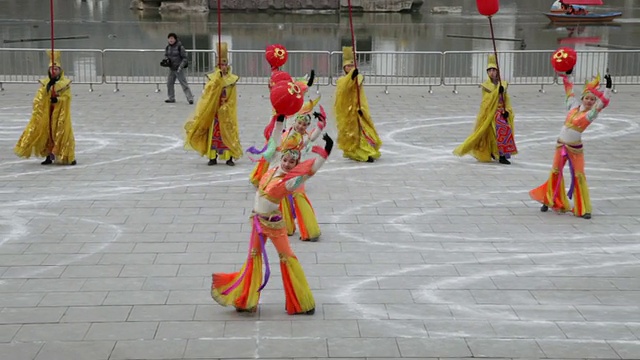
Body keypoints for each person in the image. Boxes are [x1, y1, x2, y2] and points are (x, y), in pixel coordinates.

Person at [211, 114, 334, 315]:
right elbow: (275, 139)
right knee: (253, 257)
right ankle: (245, 299)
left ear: (294, 167)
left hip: (275, 226)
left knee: (287, 257)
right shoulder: (274, 165)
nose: (286, 164)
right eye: (285, 160)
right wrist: (279, 119)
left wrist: (326, 151)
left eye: (290, 163)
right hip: (257, 222)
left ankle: (302, 302)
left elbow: (311, 171)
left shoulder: (290, 182)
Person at [530, 70, 612, 220]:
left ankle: (583, 208)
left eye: (592, 99)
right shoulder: (573, 107)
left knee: (579, 175)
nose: (589, 101)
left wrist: (608, 88)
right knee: (555, 171)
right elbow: (569, 90)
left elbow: (603, 103)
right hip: (561, 145)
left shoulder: (590, 114)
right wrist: (568, 75)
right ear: (582, 99)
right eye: (587, 98)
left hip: (575, 149)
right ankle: (549, 200)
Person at [184, 42, 242, 166]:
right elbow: (208, 93)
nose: (223, 67)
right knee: (213, 134)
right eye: (221, 64)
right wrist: (217, 81)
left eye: (225, 64)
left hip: (225, 111)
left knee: (227, 133)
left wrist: (226, 105)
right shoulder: (212, 79)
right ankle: (212, 156)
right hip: (214, 111)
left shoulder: (232, 80)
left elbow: (233, 97)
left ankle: (229, 157)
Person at [14, 50, 76, 166]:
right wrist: (45, 100)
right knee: (47, 132)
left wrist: (58, 100)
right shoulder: (45, 84)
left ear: (60, 71)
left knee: (62, 132)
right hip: (48, 112)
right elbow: (39, 98)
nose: (54, 71)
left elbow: (67, 98)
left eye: (56, 69)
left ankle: (68, 155)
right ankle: (48, 155)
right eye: (52, 69)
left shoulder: (65, 84)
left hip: (59, 112)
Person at [453, 54, 517, 164]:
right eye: (489, 70)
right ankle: (497, 154)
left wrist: (507, 111)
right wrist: (497, 91)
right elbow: (487, 101)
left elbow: (506, 100)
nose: (492, 72)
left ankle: (502, 154)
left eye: (494, 70)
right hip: (491, 113)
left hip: (502, 112)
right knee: (496, 131)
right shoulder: (486, 86)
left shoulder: (503, 84)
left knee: (505, 130)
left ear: (497, 71)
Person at [278, 101, 326, 242]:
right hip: (286, 168)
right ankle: (287, 227)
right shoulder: (289, 134)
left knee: (298, 197)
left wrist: (320, 125)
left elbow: (309, 138)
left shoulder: (300, 135)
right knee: (285, 197)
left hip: (295, 169)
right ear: (295, 122)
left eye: (305, 125)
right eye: (300, 123)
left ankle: (309, 230)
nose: (301, 126)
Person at [334, 46, 382, 163]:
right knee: (351, 133)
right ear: (344, 68)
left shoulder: (359, 77)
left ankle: (367, 151)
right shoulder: (341, 80)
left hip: (359, 109)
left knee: (363, 130)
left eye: (352, 66)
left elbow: (357, 85)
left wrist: (354, 77)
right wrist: (351, 77)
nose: (350, 68)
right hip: (348, 111)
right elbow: (344, 87)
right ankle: (354, 151)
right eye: (348, 66)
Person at [163, 33, 194, 104]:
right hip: (171, 68)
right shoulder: (168, 47)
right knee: (169, 83)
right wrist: (166, 61)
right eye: (169, 38)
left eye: (172, 38)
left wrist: (181, 66)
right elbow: (166, 55)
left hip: (179, 68)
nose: (171, 40)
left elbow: (185, 58)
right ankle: (171, 98)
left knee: (184, 84)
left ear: (175, 39)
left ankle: (190, 98)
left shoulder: (180, 47)